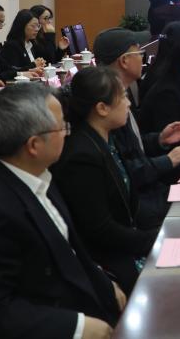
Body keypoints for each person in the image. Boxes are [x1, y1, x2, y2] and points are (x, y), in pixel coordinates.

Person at [0, 83, 123, 339]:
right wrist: (76, 327)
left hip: (84, 299)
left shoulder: (36, 172)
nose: (67, 133)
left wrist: (104, 284)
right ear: (33, 145)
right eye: (62, 127)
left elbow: (70, 249)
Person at [53, 67, 159, 293]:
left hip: (129, 242)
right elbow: (101, 230)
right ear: (102, 108)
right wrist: (153, 239)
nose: (128, 104)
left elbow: (128, 205)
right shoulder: (81, 156)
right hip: (110, 261)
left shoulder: (105, 138)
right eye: (123, 98)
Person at [94, 28, 180, 228]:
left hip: (150, 187)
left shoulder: (125, 91)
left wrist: (159, 139)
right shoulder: (107, 104)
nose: (143, 59)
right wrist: (168, 160)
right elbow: (123, 168)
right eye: (140, 53)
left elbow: (132, 145)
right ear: (124, 61)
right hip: (140, 201)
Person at [2, 9, 47, 75]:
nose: (37, 29)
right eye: (33, 26)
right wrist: (34, 64)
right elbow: (13, 71)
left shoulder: (31, 44)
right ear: (22, 26)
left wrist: (40, 64)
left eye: (38, 26)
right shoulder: (12, 45)